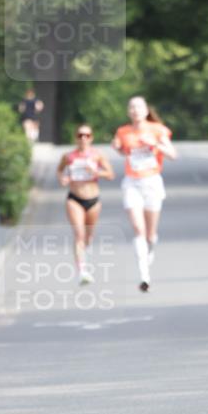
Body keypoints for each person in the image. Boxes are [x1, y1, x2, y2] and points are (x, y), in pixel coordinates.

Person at [111, 96, 176, 292]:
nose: (135, 110)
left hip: (152, 183)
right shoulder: (123, 132)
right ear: (128, 111)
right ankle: (144, 276)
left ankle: (150, 248)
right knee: (138, 229)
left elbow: (173, 154)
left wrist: (154, 145)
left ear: (146, 110)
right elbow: (122, 150)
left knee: (150, 234)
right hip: (132, 183)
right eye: (131, 107)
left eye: (139, 106)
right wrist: (116, 147)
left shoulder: (158, 130)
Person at [57, 125, 114, 284]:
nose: (83, 138)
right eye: (80, 135)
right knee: (79, 234)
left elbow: (110, 174)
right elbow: (60, 171)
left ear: (91, 138)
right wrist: (63, 179)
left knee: (88, 236)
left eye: (87, 135)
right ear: (76, 137)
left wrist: (96, 172)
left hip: (93, 199)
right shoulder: (68, 156)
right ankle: (82, 271)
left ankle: (85, 252)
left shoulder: (97, 156)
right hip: (74, 198)